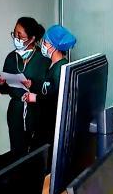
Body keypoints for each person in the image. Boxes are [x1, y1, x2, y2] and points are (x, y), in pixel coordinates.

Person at [0, 17, 50, 156]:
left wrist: (32, 84)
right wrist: (1, 83)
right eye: (14, 34)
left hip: (36, 111)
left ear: (32, 39)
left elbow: (49, 89)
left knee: (36, 152)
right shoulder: (11, 57)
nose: (16, 38)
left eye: (20, 36)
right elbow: (4, 90)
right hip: (16, 111)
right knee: (17, 151)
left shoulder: (43, 58)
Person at [22, 25, 76, 157]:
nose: (43, 45)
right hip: (45, 122)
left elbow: (58, 98)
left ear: (54, 46)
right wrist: (32, 85)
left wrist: (35, 98)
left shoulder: (61, 68)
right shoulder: (52, 65)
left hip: (52, 126)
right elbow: (47, 88)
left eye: (45, 43)